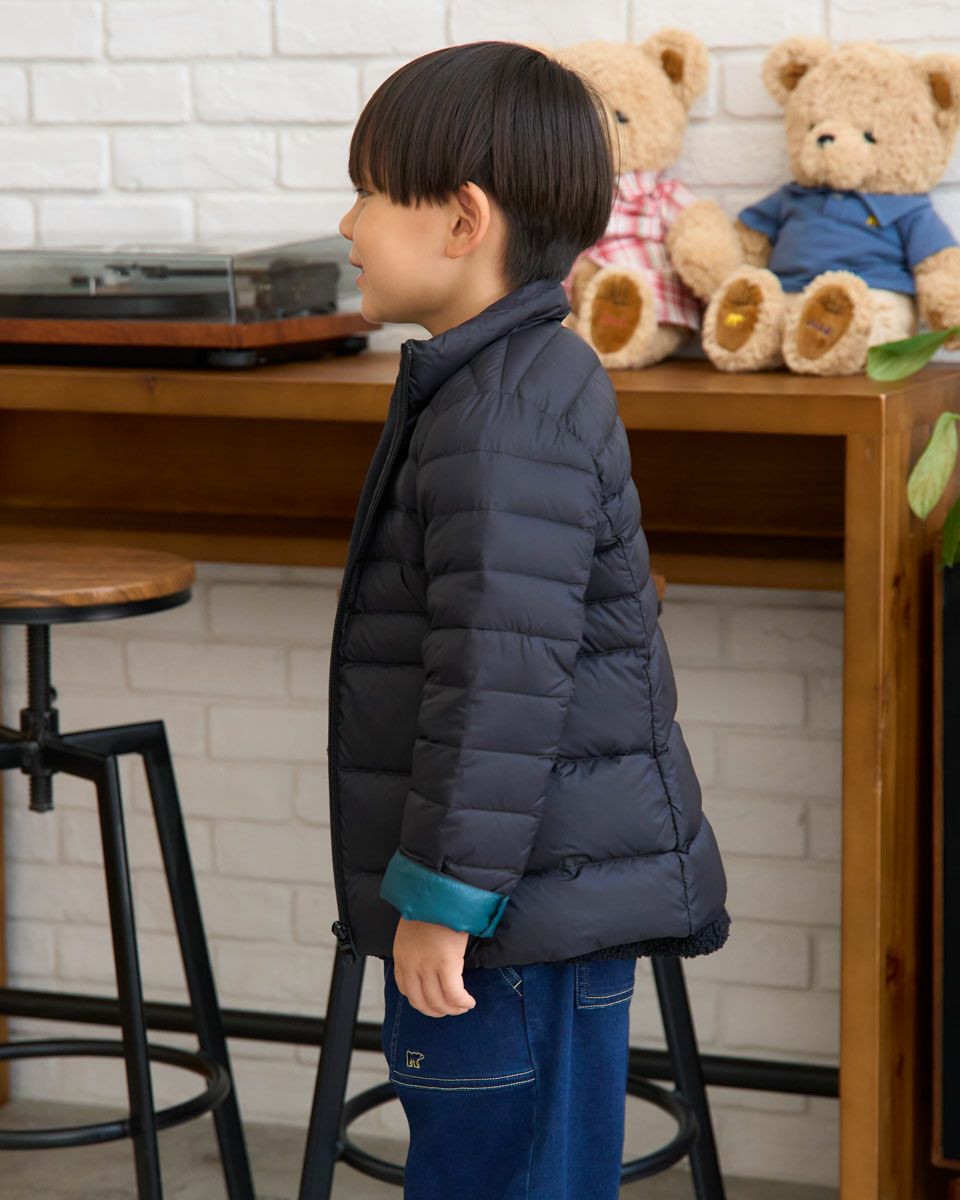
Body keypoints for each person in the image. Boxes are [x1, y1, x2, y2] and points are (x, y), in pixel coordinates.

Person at [331, 39, 730, 1200]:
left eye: (370, 192)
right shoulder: (509, 383)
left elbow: (497, 692)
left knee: (505, 1177)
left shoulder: (501, 415)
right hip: (536, 899)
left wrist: (442, 900)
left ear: (464, 220)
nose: (348, 224)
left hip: (508, 921)